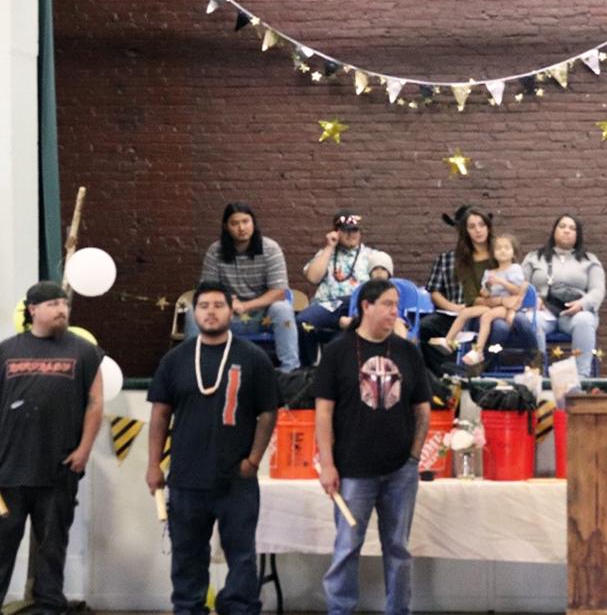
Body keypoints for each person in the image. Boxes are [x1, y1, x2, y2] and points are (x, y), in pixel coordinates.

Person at [0, 282, 104, 613]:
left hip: (59, 471)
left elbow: (95, 404)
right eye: (53, 304)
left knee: (51, 552)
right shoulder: (4, 352)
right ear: (32, 310)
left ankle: (48, 608)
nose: (61, 309)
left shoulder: (84, 352)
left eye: (64, 304)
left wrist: (85, 449)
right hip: (9, 474)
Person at [146, 281, 279, 615]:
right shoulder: (175, 360)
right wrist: (152, 466)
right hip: (186, 479)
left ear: (232, 309)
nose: (210, 311)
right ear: (195, 311)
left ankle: (239, 609)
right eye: (203, 305)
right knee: (187, 559)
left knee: (242, 558)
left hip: (236, 479)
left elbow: (268, 412)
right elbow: (160, 414)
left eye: (218, 305)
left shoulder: (253, 358)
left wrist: (253, 460)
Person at [312, 279, 432, 615]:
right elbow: (323, 411)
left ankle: (399, 611)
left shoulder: (408, 352)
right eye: (389, 304)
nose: (396, 312)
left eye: (397, 305)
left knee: (398, 549)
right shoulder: (337, 351)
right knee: (346, 548)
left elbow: (422, 409)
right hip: (352, 470)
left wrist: (413, 457)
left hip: (400, 471)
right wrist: (328, 464)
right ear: (366, 306)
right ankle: (340, 611)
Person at [419, 206, 535, 373]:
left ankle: (524, 365)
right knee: (427, 326)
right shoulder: (456, 259)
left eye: (481, 225)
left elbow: (519, 282)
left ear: (488, 227)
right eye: (471, 227)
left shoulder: (498, 255)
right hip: (469, 311)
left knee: (512, 324)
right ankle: (463, 371)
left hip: (497, 310)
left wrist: (518, 298)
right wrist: (501, 301)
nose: (477, 230)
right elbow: (463, 297)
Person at [190, 202, 299, 372]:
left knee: (282, 309)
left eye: (246, 221)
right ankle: (195, 369)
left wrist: (246, 306)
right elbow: (206, 289)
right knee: (193, 312)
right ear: (226, 227)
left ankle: (290, 370)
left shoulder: (270, 248)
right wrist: (228, 301)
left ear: (253, 223)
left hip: (264, 316)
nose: (241, 228)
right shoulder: (215, 251)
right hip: (228, 314)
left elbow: (279, 292)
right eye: (235, 223)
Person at [296, 210, 389, 366]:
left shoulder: (372, 256)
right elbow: (313, 277)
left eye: (355, 230)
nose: (351, 234)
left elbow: (381, 286)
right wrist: (329, 247)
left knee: (340, 342)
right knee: (303, 321)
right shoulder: (326, 254)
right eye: (346, 230)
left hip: (357, 306)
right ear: (337, 232)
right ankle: (309, 367)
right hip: (328, 305)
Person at [522, 214, 606, 377]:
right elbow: (520, 286)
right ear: (554, 231)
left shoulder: (590, 260)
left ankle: (582, 377)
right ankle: (537, 375)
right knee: (531, 321)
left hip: (574, 314)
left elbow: (598, 290)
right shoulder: (534, 257)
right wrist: (532, 299)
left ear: (577, 235)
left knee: (585, 320)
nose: (566, 231)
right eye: (562, 226)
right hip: (543, 312)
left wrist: (582, 304)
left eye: (572, 228)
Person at [430, 234, 528, 367]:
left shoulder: (515, 269)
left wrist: (501, 282)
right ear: (493, 253)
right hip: (492, 303)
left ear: (513, 253)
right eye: (498, 248)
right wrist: (487, 287)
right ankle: (448, 341)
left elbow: (517, 290)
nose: (502, 250)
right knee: (465, 312)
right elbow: (484, 294)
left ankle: (478, 351)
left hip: (506, 307)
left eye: (506, 248)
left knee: (486, 317)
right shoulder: (490, 272)